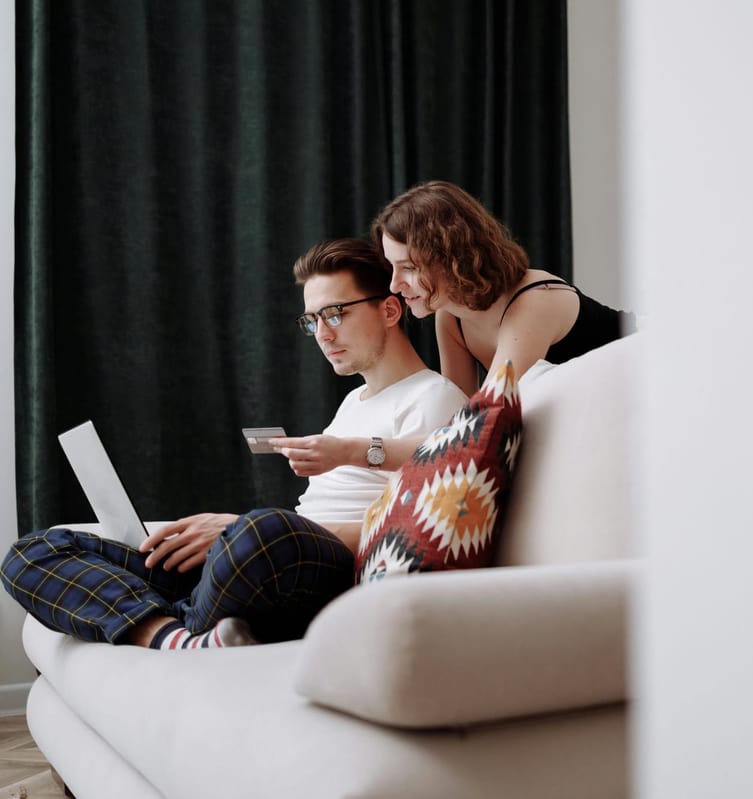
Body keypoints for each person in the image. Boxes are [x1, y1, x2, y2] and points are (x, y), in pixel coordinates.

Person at [1, 239, 467, 649]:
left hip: (320, 570)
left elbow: (407, 533)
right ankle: (174, 636)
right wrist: (232, 539)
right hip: (266, 565)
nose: (323, 335)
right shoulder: (353, 402)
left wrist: (237, 530)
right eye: (312, 321)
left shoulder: (435, 399)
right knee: (34, 551)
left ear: (390, 310)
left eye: (335, 314)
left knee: (264, 530)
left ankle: (165, 616)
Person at [370, 180, 636, 396]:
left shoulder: (534, 300)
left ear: (453, 258)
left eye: (409, 267)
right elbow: (459, 417)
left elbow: (483, 416)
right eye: (393, 267)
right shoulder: (450, 317)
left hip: (651, 371)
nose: (395, 285)